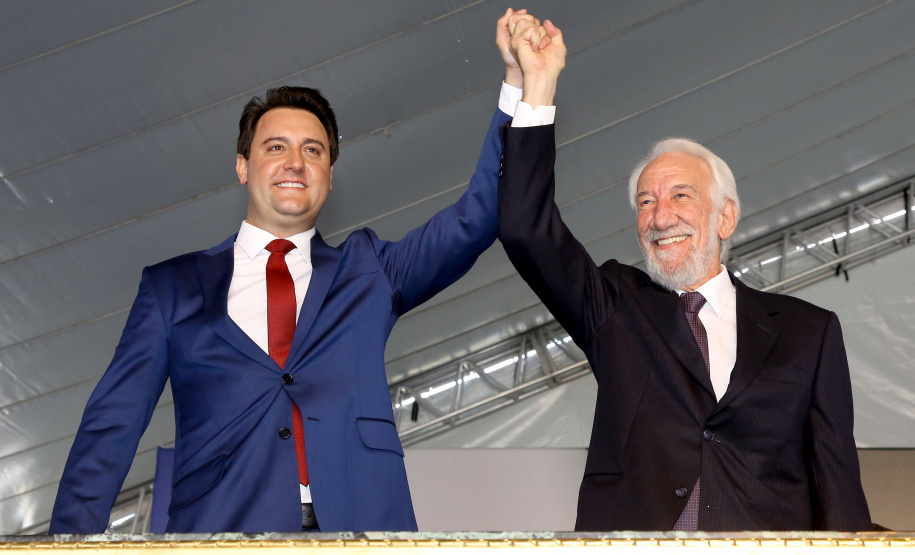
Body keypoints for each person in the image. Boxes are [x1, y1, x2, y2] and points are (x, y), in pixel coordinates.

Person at [49, 9, 550, 534]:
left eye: (313, 151)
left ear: (330, 176)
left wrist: (520, 84)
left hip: (362, 531)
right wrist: (68, 544)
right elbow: (112, 424)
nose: (295, 162)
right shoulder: (170, 288)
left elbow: (480, 215)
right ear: (243, 166)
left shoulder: (371, 269)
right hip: (221, 532)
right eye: (275, 148)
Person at [498, 15, 871, 531]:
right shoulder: (614, 305)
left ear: (725, 216)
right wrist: (537, 85)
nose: (661, 215)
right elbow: (524, 228)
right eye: (645, 201)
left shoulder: (809, 331)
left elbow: (838, 484)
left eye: (681, 195)